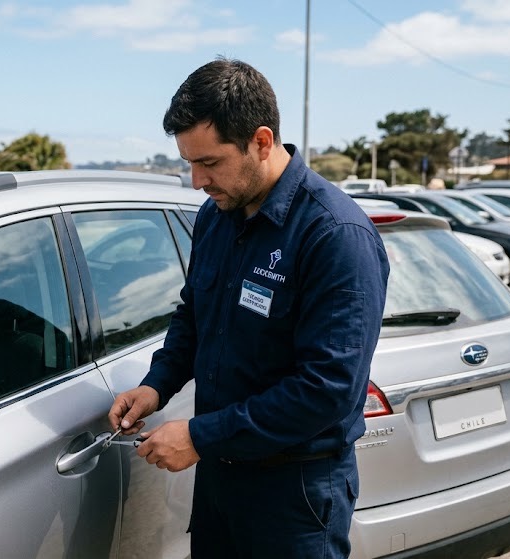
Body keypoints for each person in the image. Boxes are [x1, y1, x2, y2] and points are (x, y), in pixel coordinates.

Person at [108, 57, 390, 558]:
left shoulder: (334, 235)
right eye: (188, 162)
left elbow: (327, 388)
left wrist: (200, 437)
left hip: (294, 496)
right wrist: (157, 385)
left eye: (210, 162)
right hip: (221, 481)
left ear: (261, 141)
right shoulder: (216, 217)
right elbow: (194, 316)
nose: (196, 180)